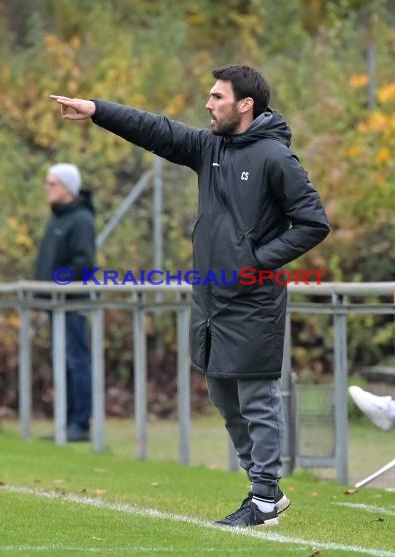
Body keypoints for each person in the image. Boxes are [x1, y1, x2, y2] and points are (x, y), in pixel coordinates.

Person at [50, 64, 330, 526]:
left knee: (257, 397)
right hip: (211, 299)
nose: (208, 103)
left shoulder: (275, 159)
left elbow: (314, 223)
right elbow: (156, 129)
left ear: (245, 105)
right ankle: (265, 490)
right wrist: (97, 110)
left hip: (254, 298)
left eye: (217, 97)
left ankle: (263, 497)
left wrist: (255, 262)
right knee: (222, 394)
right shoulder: (209, 147)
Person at [35, 163, 96, 442]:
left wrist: (56, 283)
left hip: (71, 304)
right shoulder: (58, 218)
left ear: (68, 188)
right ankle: (65, 422)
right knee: (62, 362)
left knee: (76, 361)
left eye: (53, 183)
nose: (47, 189)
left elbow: (84, 263)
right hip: (55, 304)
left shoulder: (80, 219)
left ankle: (79, 424)